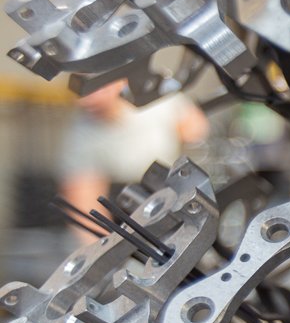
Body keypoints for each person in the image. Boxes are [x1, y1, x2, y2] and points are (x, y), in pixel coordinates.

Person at [59, 80, 209, 241]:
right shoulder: (81, 135)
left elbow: (197, 133)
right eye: (80, 92)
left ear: (119, 82)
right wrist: (108, 246)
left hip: (183, 193)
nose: (87, 100)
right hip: (132, 212)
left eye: (96, 88)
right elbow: (83, 197)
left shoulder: (158, 101)